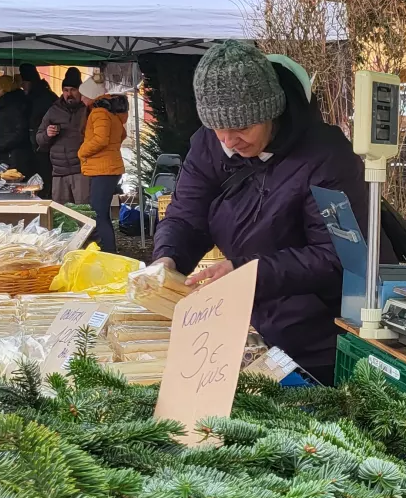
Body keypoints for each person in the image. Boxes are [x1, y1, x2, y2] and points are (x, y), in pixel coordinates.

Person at [149, 41, 364, 384]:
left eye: (243, 128)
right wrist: (167, 258)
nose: (230, 140)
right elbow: (185, 215)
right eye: (219, 129)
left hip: (318, 335)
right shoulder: (208, 144)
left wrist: (247, 273)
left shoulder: (326, 157)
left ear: (272, 112)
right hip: (249, 327)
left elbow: (334, 256)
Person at [77, 91, 128, 253]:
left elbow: (101, 139)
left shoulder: (99, 112)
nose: (81, 98)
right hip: (108, 168)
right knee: (102, 212)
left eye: (84, 95)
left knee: (99, 213)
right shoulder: (111, 112)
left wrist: (82, 151)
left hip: (103, 169)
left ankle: (108, 252)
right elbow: (122, 134)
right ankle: (108, 250)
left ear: (92, 96)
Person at [37, 67, 91, 205]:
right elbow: (39, 139)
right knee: (61, 215)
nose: (69, 94)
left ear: (80, 91)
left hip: (81, 171)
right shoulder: (53, 110)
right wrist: (47, 134)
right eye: (66, 90)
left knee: (84, 212)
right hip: (59, 173)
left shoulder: (88, 110)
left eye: (73, 90)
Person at [0, 73, 35, 175]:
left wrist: (0, 145)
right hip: (5, 155)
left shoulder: (17, 106)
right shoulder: (2, 106)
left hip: (16, 157)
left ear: (6, 89)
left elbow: (20, 132)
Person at [20, 64, 57, 193]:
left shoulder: (41, 97)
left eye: (24, 83)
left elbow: (37, 122)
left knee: (44, 180)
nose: (22, 87)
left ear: (30, 82)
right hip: (39, 145)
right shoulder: (40, 94)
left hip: (44, 146)